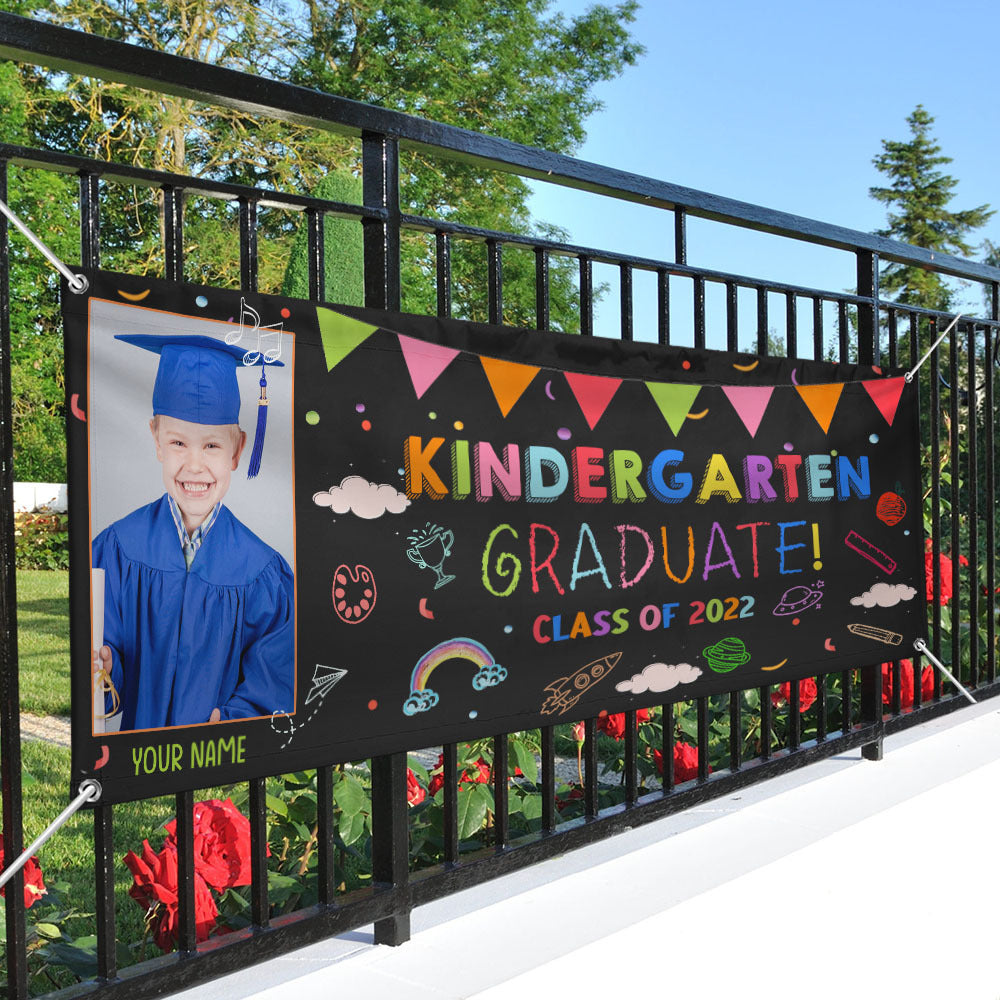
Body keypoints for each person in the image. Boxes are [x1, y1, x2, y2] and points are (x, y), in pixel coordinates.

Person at [91, 333, 294, 731]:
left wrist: (233, 719)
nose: (195, 466)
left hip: (221, 764)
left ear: (237, 451)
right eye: (179, 442)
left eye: (213, 446)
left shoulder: (262, 572)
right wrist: (106, 663)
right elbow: (102, 649)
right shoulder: (117, 548)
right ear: (157, 440)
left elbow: (275, 672)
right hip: (142, 763)